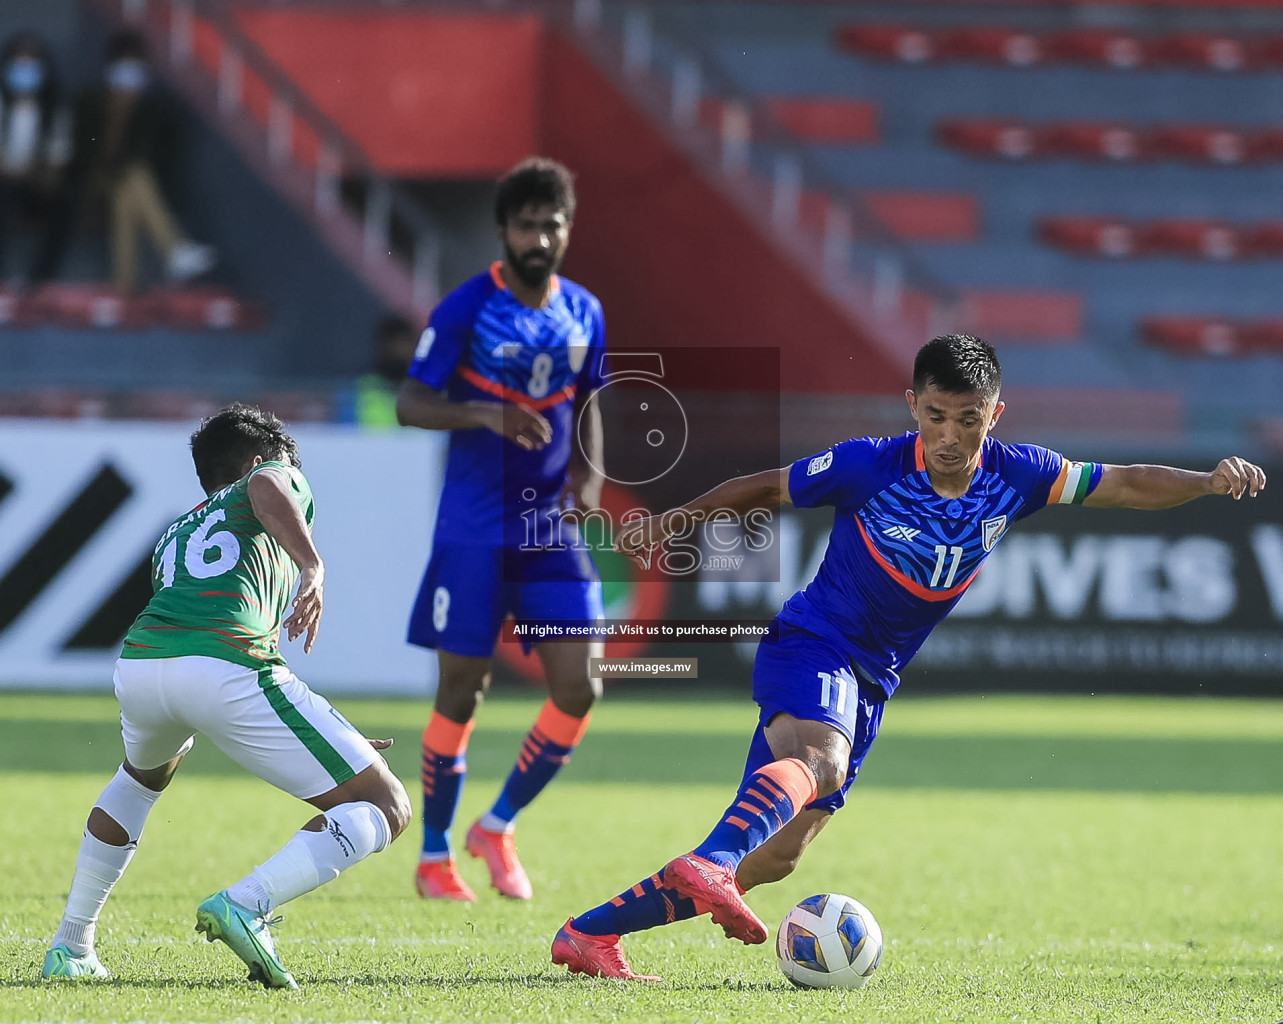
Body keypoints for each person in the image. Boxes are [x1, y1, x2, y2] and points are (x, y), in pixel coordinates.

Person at [550, 333, 1268, 981]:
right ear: (912, 406)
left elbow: (1123, 483)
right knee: (814, 770)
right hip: (813, 644)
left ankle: (590, 934)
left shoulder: (1019, 476)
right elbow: (766, 486)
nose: (948, 436)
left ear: (996, 413)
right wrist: (675, 521)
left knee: (775, 858)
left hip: (870, 680)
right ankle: (708, 859)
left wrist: (1205, 482)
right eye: (934, 415)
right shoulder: (868, 465)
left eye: (967, 418)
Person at [41, 404, 411, 988]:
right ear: (256, 459)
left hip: (142, 663)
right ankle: (248, 903)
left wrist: (323, 732)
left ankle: (71, 943)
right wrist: (313, 567)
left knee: (139, 782)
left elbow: (205, 636)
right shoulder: (270, 475)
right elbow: (267, 483)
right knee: (386, 805)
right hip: (225, 667)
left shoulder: (173, 534)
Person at [395, 156, 607, 902]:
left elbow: (589, 403)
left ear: (566, 230)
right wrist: (482, 412)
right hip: (475, 528)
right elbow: (410, 404)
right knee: (462, 689)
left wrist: (589, 474)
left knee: (580, 686)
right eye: (526, 224)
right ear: (503, 231)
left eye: (551, 224)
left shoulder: (584, 310)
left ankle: (498, 824)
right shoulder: (465, 308)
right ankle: (432, 854)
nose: (539, 236)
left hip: (548, 529)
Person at [73, 29, 215, 293]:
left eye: (135, 69)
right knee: (133, 180)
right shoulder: (91, 101)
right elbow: (84, 148)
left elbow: (143, 154)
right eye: (124, 68)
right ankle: (174, 248)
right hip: (92, 177)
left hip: (125, 178)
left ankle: (124, 284)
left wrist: (129, 112)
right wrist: (113, 118)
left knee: (128, 191)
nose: (129, 77)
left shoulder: (150, 108)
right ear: (111, 68)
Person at [0, 31, 74, 286]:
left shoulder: (55, 106)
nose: (25, 70)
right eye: (19, 63)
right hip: (4, 183)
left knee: (64, 203)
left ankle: (38, 281)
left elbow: (56, 161)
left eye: (31, 64)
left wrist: (36, 172)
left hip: (34, 182)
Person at [349, 313, 419, 429]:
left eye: (404, 343)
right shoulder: (366, 385)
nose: (399, 350)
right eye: (394, 344)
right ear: (382, 346)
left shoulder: (426, 386)